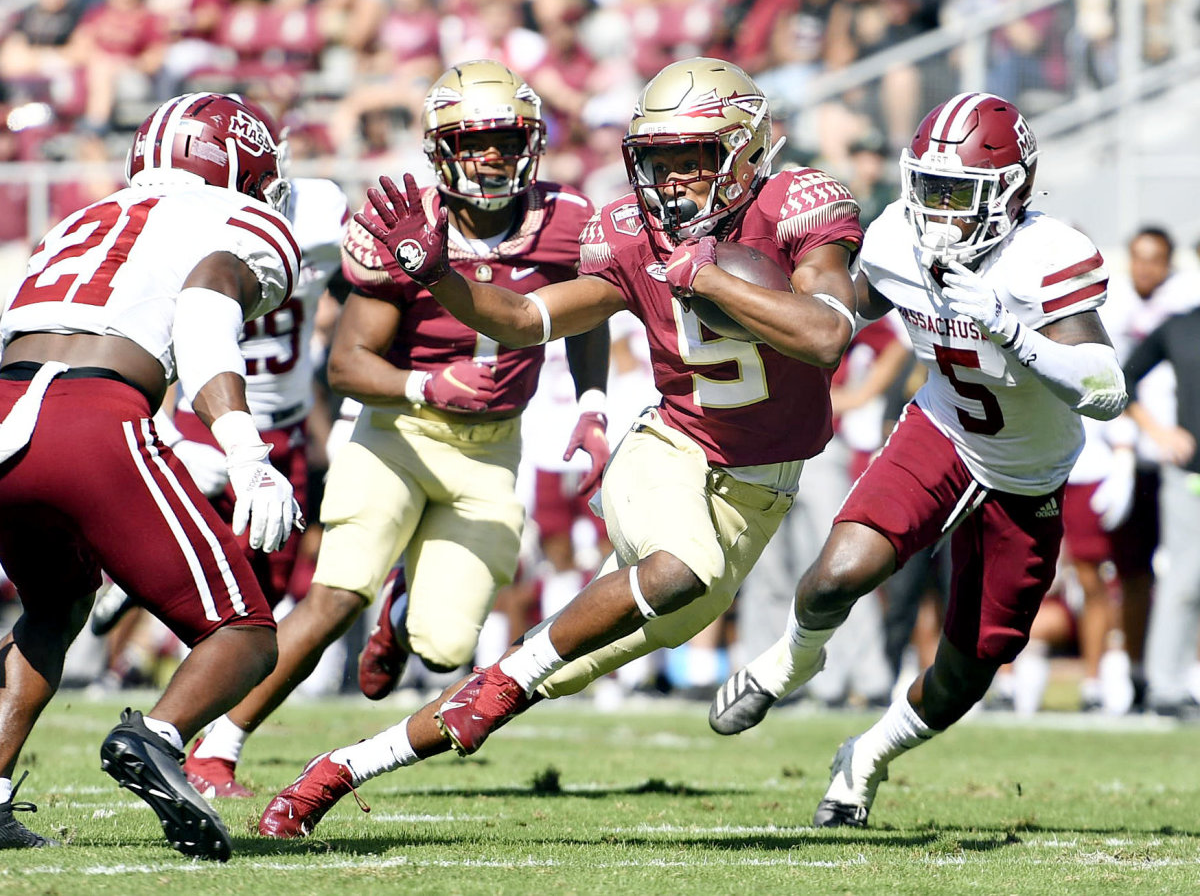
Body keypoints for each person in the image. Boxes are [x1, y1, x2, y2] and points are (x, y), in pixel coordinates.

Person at [255, 55, 865, 839]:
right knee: (681, 569)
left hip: (758, 493)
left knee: (538, 672)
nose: (674, 183)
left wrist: (710, 280)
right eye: (659, 162)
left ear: (747, 153)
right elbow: (522, 320)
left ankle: (336, 770)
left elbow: (825, 337)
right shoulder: (627, 233)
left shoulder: (799, 207)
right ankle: (486, 691)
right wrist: (439, 274)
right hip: (670, 452)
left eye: (695, 160)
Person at [181, 60, 612, 798]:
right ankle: (217, 746)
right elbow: (346, 364)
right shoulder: (405, 222)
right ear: (440, 147)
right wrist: (426, 381)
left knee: (445, 649)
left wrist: (592, 400)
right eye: (474, 141)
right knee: (333, 595)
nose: (493, 157)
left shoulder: (568, 217)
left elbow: (589, 310)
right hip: (398, 431)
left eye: (508, 140)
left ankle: (404, 604)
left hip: (493, 449)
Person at [708, 92, 1128, 827]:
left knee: (967, 671)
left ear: (1013, 191)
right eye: (928, 188)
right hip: (942, 431)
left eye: (957, 194)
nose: (937, 210)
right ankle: (790, 661)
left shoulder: (1047, 256)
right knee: (840, 572)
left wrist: (1014, 332)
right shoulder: (899, 234)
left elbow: (1107, 390)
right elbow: (847, 310)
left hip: (1028, 474)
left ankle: (865, 756)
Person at [0, 92, 301, 859]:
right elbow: (203, 309)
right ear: (241, 162)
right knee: (244, 632)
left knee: (57, 601)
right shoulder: (243, 218)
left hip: (7, 404)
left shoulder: (84, 216)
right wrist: (245, 451)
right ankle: (158, 737)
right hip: (90, 416)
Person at [1124, 303, 1200, 717]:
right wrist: (1158, 431)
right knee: (1186, 581)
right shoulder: (1181, 326)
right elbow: (1124, 377)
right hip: (1191, 476)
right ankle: (1165, 687)